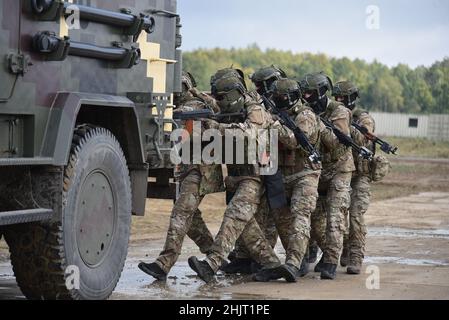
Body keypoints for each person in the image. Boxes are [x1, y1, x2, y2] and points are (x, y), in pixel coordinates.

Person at [188, 73, 296, 283]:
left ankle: (212, 263)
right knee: (246, 225)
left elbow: (246, 134)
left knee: (235, 214)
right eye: (216, 97)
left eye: (222, 97)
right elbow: (212, 105)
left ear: (235, 94)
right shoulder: (229, 107)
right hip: (238, 175)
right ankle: (272, 264)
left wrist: (215, 127)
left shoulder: (255, 110)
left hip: (256, 174)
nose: (218, 101)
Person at [138, 72, 224, 281]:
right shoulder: (189, 105)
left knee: (181, 214)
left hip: (200, 170)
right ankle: (217, 256)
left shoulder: (194, 105)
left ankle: (163, 264)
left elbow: (183, 114)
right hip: (189, 170)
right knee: (191, 220)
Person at [301, 72, 355, 280]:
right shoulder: (306, 111)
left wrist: (319, 124)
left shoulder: (339, 111)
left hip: (340, 169)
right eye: (304, 93)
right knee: (314, 217)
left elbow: (335, 142)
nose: (306, 97)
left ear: (322, 93)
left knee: (335, 216)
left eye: (310, 93)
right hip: (321, 170)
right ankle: (328, 251)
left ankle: (331, 261)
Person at [333, 81, 375, 275]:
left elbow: (362, 139)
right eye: (336, 97)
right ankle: (345, 248)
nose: (338, 101)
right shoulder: (336, 114)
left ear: (351, 98)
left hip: (360, 174)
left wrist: (346, 124)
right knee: (338, 214)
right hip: (342, 172)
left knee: (356, 215)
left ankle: (356, 255)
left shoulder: (363, 118)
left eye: (342, 98)